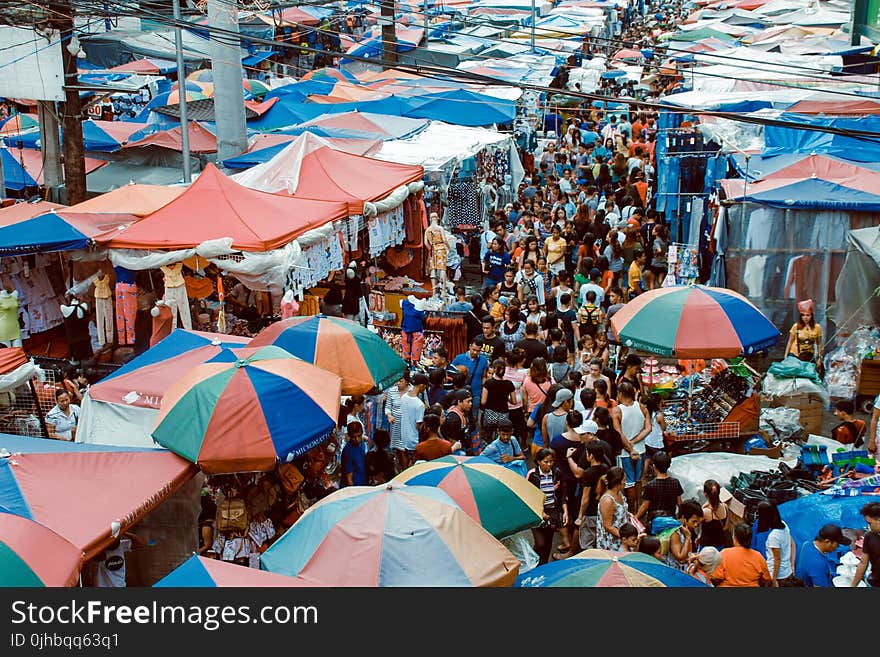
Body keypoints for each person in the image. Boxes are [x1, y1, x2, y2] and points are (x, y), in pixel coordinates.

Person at [527, 448, 566, 565]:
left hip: (552, 512)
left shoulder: (557, 473)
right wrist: (541, 512)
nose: (549, 464)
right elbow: (529, 496)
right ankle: (532, 561)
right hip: (537, 513)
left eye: (551, 461)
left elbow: (562, 494)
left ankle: (543, 565)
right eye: (545, 462)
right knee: (540, 543)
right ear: (538, 461)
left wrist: (565, 512)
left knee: (548, 542)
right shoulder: (533, 475)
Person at [712, 522, 772, 587]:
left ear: (735, 538)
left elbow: (715, 578)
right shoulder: (758, 557)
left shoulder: (724, 554)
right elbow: (766, 579)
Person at [575, 439, 610, 550]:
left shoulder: (588, 473)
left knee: (587, 543)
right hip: (602, 510)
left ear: (591, 456)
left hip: (590, 512)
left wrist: (580, 516)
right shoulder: (606, 468)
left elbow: (585, 497)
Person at [755, 501, 798, 587]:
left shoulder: (773, 536)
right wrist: (792, 565)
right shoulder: (784, 525)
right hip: (787, 571)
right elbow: (793, 544)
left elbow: (777, 559)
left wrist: (774, 580)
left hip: (777, 575)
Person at [635, 450, 683, 528]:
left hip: (655, 523)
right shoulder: (675, 482)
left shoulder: (651, 485)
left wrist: (635, 518)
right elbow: (680, 503)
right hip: (671, 522)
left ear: (654, 466)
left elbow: (644, 506)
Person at [451, 340, 490, 420]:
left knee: (474, 417)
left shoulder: (483, 360)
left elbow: (484, 376)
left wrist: (484, 390)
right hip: (461, 394)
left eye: (478, 351)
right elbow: (451, 372)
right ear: (470, 346)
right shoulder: (459, 358)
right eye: (474, 350)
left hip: (476, 393)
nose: (475, 353)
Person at [398, 372, 428, 471]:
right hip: (414, 440)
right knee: (414, 467)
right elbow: (419, 425)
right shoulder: (419, 404)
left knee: (405, 465)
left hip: (404, 436)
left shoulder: (404, 397)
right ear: (422, 385)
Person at [480, 358, 517, 436]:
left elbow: (483, 401)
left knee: (488, 435)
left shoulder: (488, 383)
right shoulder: (509, 384)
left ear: (494, 369)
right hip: (503, 415)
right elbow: (514, 402)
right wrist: (507, 399)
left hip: (490, 413)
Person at [664, 500, 703, 572]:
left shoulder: (687, 529)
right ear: (683, 517)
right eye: (694, 521)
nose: (696, 525)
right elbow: (680, 558)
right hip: (674, 572)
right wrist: (688, 537)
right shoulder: (675, 533)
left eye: (698, 522)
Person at [783, 298, 823, 370]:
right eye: (803, 315)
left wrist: (820, 358)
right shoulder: (796, 326)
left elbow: (819, 344)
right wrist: (785, 356)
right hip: (795, 355)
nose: (805, 317)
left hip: (808, 355)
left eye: (808, 315)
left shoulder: (817, 327)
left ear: (811, 315)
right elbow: (790, 342)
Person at [596, 466, 629, 551]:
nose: (625, 482)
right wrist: (625, 537)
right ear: (618, 482)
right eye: (624, 480)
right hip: (612, 542)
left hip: (622, 537)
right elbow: (607, 526)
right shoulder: (608, 500)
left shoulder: (619, 493)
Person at [850, 501, 880, 587]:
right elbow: (863, 563)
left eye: (870, 523)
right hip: (875, 581)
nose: (868, 526)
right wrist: (853, 586)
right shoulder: (869, 537)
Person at [700, 479, 730, 550]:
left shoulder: (705, 511)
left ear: (705, 494)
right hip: (720, 547)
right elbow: (726, 527)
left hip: (706, 549)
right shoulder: (725, 507)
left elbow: (696, 524)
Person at [340, 421, 367, 487]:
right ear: (349, 436)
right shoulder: (348, 452)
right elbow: (349, 479)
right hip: (354, 488)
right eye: (353, 437)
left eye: (359, 436)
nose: (357, 439)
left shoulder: (362, 443)